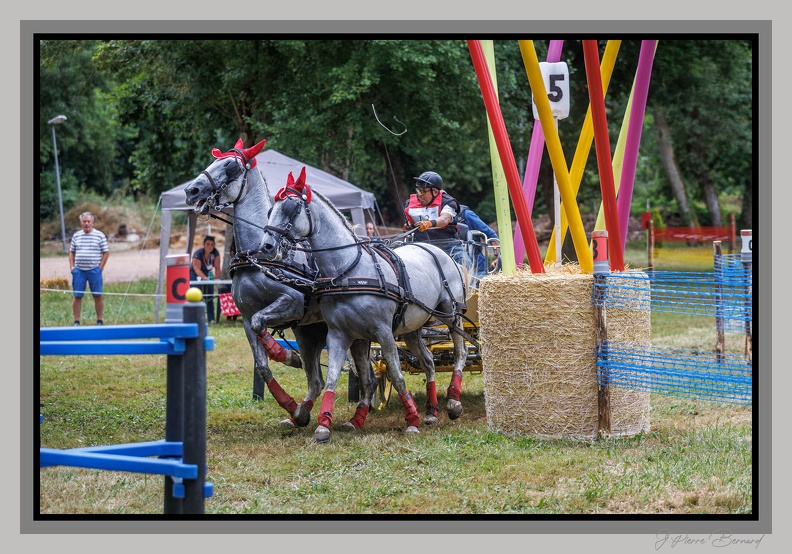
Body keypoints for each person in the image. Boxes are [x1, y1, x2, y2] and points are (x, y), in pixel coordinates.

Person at [403, 171, 473, 269]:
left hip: (448, 245)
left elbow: (445, 219)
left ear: (435, 192)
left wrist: (429, 224)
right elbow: (408, 223)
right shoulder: (410, 203)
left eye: (423, 191)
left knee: (468, 267)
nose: (419, 194)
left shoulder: (447, 201)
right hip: (421, 246)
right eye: (418, 190)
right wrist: (408, 225)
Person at [69, 211, 109, 326]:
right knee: (77, 296)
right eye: (84, 221)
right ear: (81, 223)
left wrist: (100, 268)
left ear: (92, 223)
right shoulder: (76, 235)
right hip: (79, 271)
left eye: (88, 221)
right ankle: (76, 321)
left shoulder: (100, 235)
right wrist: (72, 267)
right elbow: (71, 252)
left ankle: (99, 321)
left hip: (94, 271)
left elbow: (106, 252)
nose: (86, 223)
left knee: (97, 295)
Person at [457, 204, 501, 280]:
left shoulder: (466, 215)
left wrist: (498, 258)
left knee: (479, 287)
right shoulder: (432, 217)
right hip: (448, 261)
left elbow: (491, 235)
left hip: (475, 261)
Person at [190, 235, 222, 323]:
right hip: (194, 275)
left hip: (207, 275)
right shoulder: (198, 253)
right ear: (204, 245)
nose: (210, 246)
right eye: (207, 244)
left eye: (212, 244)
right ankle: (196, 318)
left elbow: (217, 268)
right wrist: (205, 278)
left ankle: (211, 319)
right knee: (197, 296)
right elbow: (196, 269)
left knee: (209, 296)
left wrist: (216, 280)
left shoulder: (215, 253)